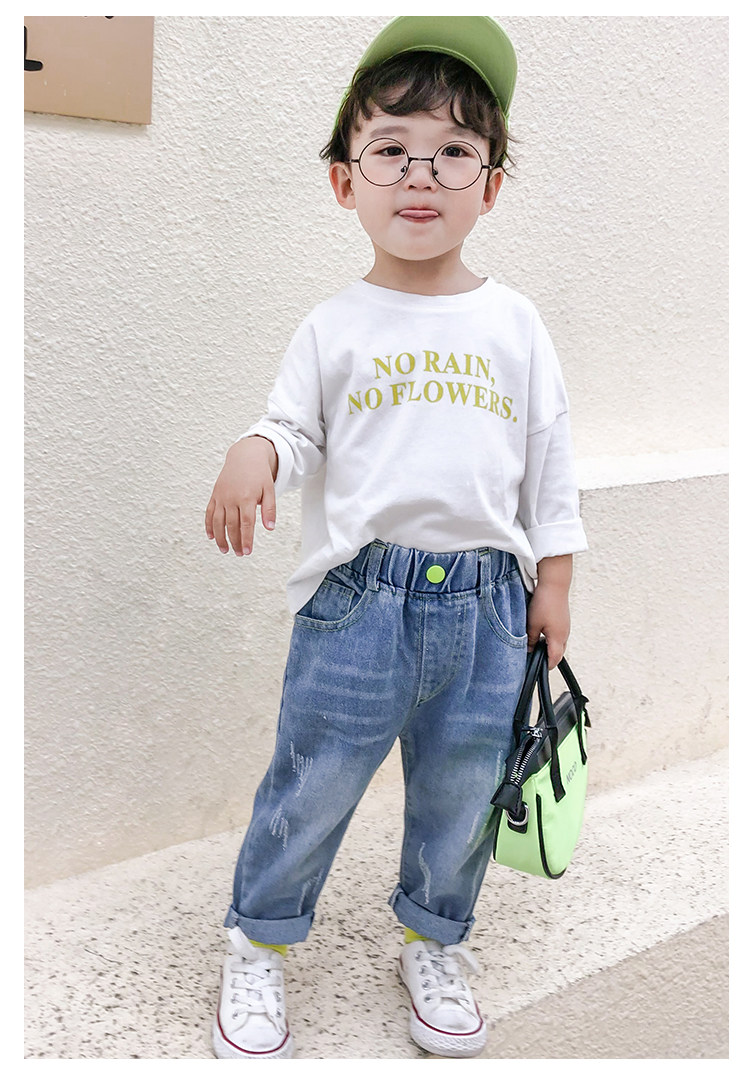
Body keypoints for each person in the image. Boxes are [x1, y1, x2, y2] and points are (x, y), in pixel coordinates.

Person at [204, 16, 587, 1060]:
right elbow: (293, 428)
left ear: (490, 186)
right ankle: (259, 941)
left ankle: (435, 940)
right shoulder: (332, 326)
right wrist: (257, 449)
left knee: (463, 794)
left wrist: (552, 583)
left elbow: (549, 465)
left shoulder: (515, 325)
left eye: (454, 150)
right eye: (390, 149)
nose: (421, 175)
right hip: (357, 605)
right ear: (345, 181)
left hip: (488, 606)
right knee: (312, 780)